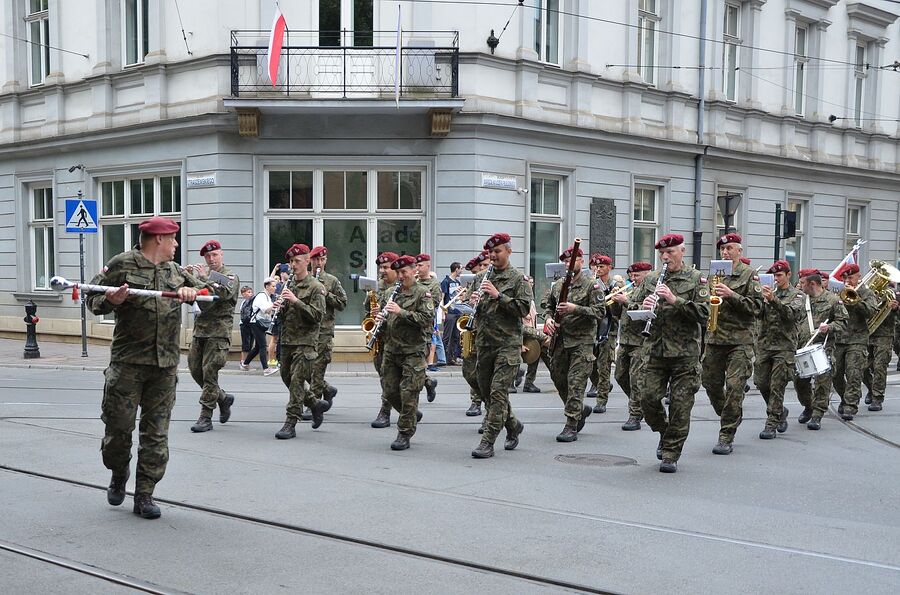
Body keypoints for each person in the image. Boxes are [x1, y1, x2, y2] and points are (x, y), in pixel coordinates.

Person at [86, 216, 203, 519]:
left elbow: (215, 295)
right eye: (173, 239)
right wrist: (111, 300)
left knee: (156, 434)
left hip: (164, 367)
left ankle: (145, 494)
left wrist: (195, 294)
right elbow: (92, 298)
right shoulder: (122, 264)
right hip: (127, 365)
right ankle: (117, 471)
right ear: (159, 240)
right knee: (118, 429)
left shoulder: (176, 272)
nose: (177, 245)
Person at [628, 233, 709, 473]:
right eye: (662, 253)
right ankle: (665, 432)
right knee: (648, 399)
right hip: (655, 351)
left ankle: (671, 453)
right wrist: (641, 308)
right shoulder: (651, 279)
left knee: (680, 406)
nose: (665, 257)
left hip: (685, 354)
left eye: (670, 252)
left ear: (682, 251)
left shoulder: (697, 279)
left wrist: (675, 300)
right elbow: (631, 308)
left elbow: (705, 314)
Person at [701, 233, 763, 455]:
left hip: (740, 341)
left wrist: (732, 295)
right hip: (715, 338)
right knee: (710, 383)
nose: (725, 252)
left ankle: (725, 435)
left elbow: (758, 308)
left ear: (739, 251)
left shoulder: (749, 276)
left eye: (730, 248)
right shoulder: (713, 274)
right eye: (722, 249)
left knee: (735, 387)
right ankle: (731, 414)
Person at [471, 233, 531, 459]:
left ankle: (487, 441)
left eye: (497, 252)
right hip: (484, 343)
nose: (493, 256)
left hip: (507, 344)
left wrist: (498, 296)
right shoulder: (480, 279)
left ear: (508, 251)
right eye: (490, 253)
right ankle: (513, 424)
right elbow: (474, 307)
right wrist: (473, 303)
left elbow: (523, 310)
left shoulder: (518, 279)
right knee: (487, 393)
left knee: (497, 393)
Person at [543, 245, 605, 442]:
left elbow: (600, 312)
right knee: (559, 379)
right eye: (565, 262)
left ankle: (571, 425)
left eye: (572, 261)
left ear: (581, 261)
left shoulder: (591, 285)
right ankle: (578, 410)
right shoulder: (559, 284)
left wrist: (575, 308)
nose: (568, 265)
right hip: (560, 340)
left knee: (575, 383)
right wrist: (548, 319)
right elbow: (549, 307)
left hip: (581, 342)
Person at [377, 255, 434, 450]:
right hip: (392, 350)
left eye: (404, 272)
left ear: (413, 271)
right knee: (390, 391)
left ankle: (404, 433)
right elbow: (387, 321)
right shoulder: (391, 292)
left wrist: (401, 312)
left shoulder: (423, 293)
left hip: (413, 351)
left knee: (408, 393)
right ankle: (410, 414)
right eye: (398, 273)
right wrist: (381, 319)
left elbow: (427, 319)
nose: (401, 276)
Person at [273, 243, 329, 439]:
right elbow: (284, 317)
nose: (293, 265)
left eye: (297, 261)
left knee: (297, 382)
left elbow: (317, 316)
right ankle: (315, 404)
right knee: (286, 377)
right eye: (291, 261)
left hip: (306, 342)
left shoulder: (316, 287)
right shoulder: (289, 285)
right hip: (288, 340)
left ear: (307, 261)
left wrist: (296, 301)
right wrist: (279, 308)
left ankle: (290, 422)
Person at [187, 240, 240, 433]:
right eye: (208, 256)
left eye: (214, 255)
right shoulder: (205, 277)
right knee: (195, 370)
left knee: (209, 373)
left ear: (221, 254)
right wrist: (188, 278)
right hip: (200, 330)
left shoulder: (229, 276)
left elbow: (225, 294)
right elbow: (196, 296)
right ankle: (223, 399)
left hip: (218, 333)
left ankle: (205, 417)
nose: (211, 259)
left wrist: (204, 278)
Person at [754, 260, 804, 439]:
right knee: (760, 382)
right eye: (773, 276)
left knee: (777, 386)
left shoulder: (797, 295)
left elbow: (792, 315)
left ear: (788, 275)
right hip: (765, 345)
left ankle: (772, 423)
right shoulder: (767, 293)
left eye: (779, 275)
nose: (776, 279)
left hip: (784, 346)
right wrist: (759, 298)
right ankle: (780, 410)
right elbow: (756, 314)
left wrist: (773, 300)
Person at [794, 270, 848, 430]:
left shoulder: (833, 300)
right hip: (802, 346)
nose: (800, 286)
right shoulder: (801, 300)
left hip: (823, 348)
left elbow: (843, 323)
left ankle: (817, 414)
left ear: (812, 284)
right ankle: (808, 406)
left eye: (803, 283)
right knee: (799, 382)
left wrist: (829, 327)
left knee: (822, 382)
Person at [833, 264, 878, 421]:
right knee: (835, 373)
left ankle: (850, 405)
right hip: (839, 339)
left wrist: (855, 300)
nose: (848, 280)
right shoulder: (839, 293)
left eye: (851, 277)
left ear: (859, 276)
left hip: (858, 339)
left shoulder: (867, 293)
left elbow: (870, 311)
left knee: (853, 372)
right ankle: (846, 396)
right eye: (845, 277)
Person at [610, 261, 651, 431]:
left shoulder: (651, 290)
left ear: (647, 274)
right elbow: (617, 315)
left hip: (640, 341)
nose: (633, 279)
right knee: (620, 376)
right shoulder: (629, 289)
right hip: (625, 340)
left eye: (637, 276)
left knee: (636, 380)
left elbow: (646, 312)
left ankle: (635, 415)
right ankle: (641, 403)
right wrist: (615, 302)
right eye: (631, 276)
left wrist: (625, 301)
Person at [309, 246, 347, 408]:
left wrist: (327, 294)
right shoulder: (304, 279)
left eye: (322, 259)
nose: (319, 263)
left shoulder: (331, 281)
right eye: (316, 259)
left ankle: (315, 403)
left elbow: (343, 303)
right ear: (310, 260)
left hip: (323, 331)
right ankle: (327, 389)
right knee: (304, 369)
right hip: (305, 331)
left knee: (317, 368)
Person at [370, 251, 400, 428]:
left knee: (401, 380)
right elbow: (370, 309)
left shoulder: (404, 285)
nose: (382, 271)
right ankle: (388, 410)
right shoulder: (377, 287)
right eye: (380, 267)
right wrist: (373, 313)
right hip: (382, 337)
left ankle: (400, 409)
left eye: (386, 267)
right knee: (385, 377)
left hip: (400, 339)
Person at [862, 284, 898, 412]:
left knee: (879, 366)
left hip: (884, 335)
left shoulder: (893, 293)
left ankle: (877, 397)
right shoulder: (867, 292)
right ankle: (872, 389)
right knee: (862, 367)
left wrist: (895, 308)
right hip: (867, 334)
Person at [588, 253, 615, 413]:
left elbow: (616, 311)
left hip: (609, 329)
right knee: (590, 366)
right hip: (592, 329)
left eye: (601, 267)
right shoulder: (592, 283)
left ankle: (601, 400)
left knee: (603, 367)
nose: (598, 269)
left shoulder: (615, 284)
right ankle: (600, 385)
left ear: (609, 268)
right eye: (596, 266)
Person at [415, 254, 441, 399]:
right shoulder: (413, 282)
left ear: (428, 266)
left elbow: (432, 307)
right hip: (409, 329)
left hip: (424, 330)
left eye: (420, 265)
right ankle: (429, 382)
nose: (417, 268)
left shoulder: (434, 285)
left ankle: (413, 396)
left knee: (417, 364)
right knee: (413, 365)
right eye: (416, 266)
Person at [241, 278, 278, 375]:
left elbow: (269, 310)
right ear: (267, 286)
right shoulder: (262, 296)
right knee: (262, 346)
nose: (275, 288)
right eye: (273, 286)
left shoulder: (268, 296)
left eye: (275, 286)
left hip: (260, 323)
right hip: (256, 323)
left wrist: (276, 306)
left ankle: (245, 364)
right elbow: (265, 309)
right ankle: (266, 369)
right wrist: (274, 306)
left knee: (258, 346)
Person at [441, 262, 463, 365]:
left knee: (456, 336)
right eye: (461, 269)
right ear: (456, 269)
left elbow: (459, 297)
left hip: (457, 311)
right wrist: (442, 312)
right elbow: (442, 297)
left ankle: (452, 358)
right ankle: (444, 358)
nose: (462, 271)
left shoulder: (458, 283)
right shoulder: (446, 281)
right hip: (449, 311)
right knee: (447, 336)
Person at [238, 286, 255, 366]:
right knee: (246, 344)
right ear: (243, 294)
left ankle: (246, 361)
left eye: (251, 292)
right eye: (248, 292)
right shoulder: (244, 303)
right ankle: (243, 360)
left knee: (250, 343)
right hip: (244, 324)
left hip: (251, 324)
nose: (250, 294)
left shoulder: (252, 301)